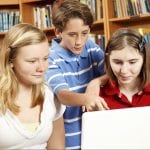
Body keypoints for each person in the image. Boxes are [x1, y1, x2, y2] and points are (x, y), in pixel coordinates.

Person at [45, 0, 109, 149]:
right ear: (58, 32)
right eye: (72, 35)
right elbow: (63, 95)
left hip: (97, 135)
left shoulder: (91, 47)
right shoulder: (50, 57)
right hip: (69, 140)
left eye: (84, 33)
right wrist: (87, 98)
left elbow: (111, 74)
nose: (79, 41)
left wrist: (96, 82)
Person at [0, 23, 65, 149]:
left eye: (45, 58)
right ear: (10, 60)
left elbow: (57, 147)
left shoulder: (49, 95)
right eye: (32, 61)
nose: (41, 68)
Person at [100, 28, 150, 109]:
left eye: (132, 62)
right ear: (108, 60)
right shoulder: (98, 97)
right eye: (117, 62)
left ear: (144, 60)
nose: (124, 71)